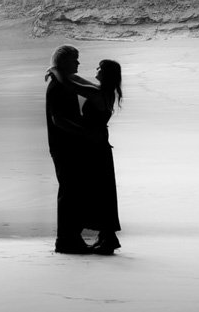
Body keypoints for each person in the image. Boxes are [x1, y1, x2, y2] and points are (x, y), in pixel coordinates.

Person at [43, 44, 96, 254]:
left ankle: (70, 238)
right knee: (69, 192)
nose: (78, 63)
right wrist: (85, 133)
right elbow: (59, 119)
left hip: (66, 145)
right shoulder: (59, 86)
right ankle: (66, 240)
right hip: (64, 147)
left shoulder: (63, 83)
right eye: (75, 59)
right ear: (64, 61)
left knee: (71, 192)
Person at [78, 58, 123, 254]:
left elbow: (74, 86)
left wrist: (57, 72)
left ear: (106, 74)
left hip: (95, 146)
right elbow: (81, 82)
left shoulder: (98, 93)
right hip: (99, 144)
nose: (96, 69)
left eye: (99, 68)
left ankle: (107, 238)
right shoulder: (106, 91)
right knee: (102, 190)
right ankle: (107, 238)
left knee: (98, 190)